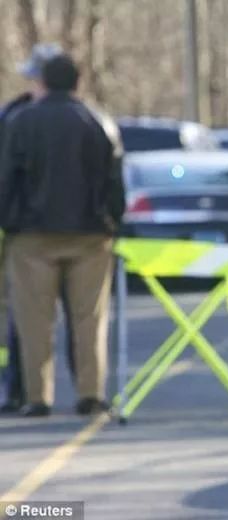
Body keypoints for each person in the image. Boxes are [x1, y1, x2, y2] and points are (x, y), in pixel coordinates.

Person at [0, 54, 125, 417]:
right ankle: (91, 393)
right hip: (90, 235)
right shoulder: (98, 121)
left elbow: (7, 177)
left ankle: (37, 396)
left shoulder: (21, 122)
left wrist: (8, 221)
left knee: (34, 320)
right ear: (76, 83)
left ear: (43, 82)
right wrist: (114, 220)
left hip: (32, 235)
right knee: (90, 319)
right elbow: (114, 178)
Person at [0, 42, 77, 413]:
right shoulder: (12, 116)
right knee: (21, 319)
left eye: (35, 76)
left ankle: (85, 393)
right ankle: (17, 388)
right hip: (23, 232)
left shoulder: (83, 120)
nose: (30, 82)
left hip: (71, 231)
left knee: (79, 319)